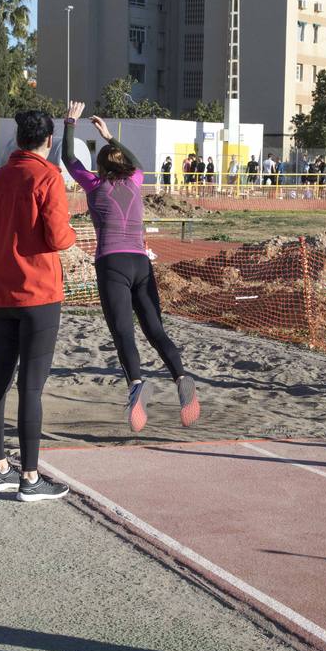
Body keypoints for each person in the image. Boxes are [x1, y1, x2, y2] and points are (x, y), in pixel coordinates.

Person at [60, 102, 201, 432]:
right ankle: (180, 376)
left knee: (123, 330)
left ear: (101, 166)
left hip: (112, 264)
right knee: (155, 329)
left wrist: (70, 122)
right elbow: (135, 161)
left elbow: (69, 159)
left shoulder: (94, 186)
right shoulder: (136, 180)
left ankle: (137, 384)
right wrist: (109, 136)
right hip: (141, 263)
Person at [0, 110, 76, 501]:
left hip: (1, 289)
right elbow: (57, 236)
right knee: (31, 387)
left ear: (19, 139)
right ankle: (30, 477)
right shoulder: (47, 176)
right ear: (49, 140)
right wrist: (73, 235)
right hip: (38, 291)